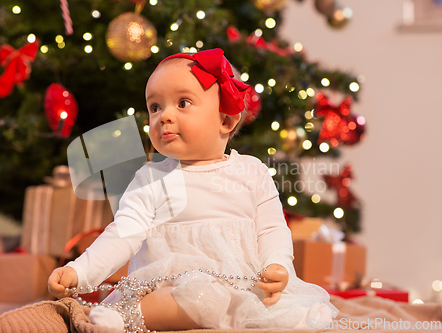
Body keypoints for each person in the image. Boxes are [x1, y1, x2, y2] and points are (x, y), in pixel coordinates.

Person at [48, 48, 337, 332]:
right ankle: (126, 316)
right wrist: (80, 271)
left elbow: (272, 229)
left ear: (225, 119)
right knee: (201, 297)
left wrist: (277, 265)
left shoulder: (252, 171)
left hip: (241, 283)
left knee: (288, 310)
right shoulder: (152, 178)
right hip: (168, 287)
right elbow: (123, 234)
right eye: (155, 107)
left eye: (182, 103)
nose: (164, 116)